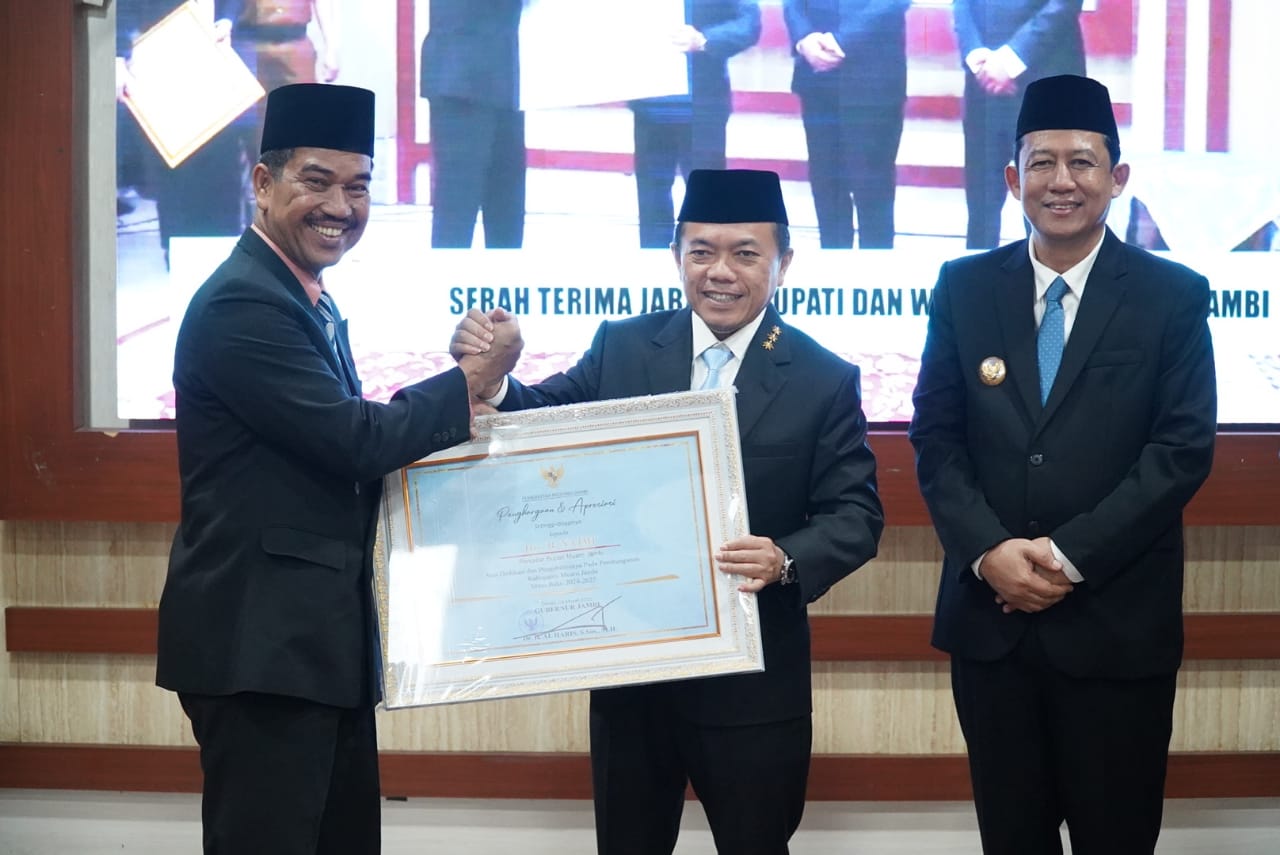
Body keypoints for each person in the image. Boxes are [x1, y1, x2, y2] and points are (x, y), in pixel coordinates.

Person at [454, 169, 884, 854]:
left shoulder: (821, 376)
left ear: (784, 262)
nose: (720, 272)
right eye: (701, 251)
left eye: (745, 253)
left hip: (754, 685)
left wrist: (785, 557)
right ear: (675, 256)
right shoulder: (623, 346)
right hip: (634, 675)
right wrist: (496, 379)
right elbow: (544, 421)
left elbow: (855, 514)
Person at [155, 83, 520, 854]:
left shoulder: (306, 298)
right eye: (317, 181)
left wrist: (468, 402)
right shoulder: (243, 304)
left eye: (358, 187)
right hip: (263, 653)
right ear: (263, 182)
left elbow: (341, 450)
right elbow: (352, 439)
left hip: (313, 651)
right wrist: (468, 381)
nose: (340, 207)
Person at [908, 75, 1217, 854]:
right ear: (1013, 180)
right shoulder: (964, 287)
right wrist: (988, 550)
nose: (1061, 181)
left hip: (1116, 627)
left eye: (1082, 162)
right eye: (1042, 162)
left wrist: (1066, 555)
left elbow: (1180, 450)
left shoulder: (1172, 296)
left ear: (1118, 177)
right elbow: (937, 438)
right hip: (992, 628)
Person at [953, 0, 1086, 249]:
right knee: (982, 203)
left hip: (1048, 77)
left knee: (1049, 202)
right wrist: (975, 53)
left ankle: (1050, 274)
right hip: (983, 79)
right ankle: (979, 273)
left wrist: (1010, 60)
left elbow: (1063, 5)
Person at [629, 1, 761, 248]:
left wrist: (704, 40)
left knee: (707, 200)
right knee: (651, 198)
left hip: (702, 103)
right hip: (650, 102)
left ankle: (707, 265)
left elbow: (749, 24)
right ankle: (653, 264)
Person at [783, 0, 910, 249]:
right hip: (817, 78)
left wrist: (843, 40)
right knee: (826, 184)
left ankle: (878, 267)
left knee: (872, 188)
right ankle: (833, 263)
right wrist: (803, 38)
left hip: (874, 79)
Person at [419, 0, 526, 248]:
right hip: (461, 75)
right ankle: (447, 273)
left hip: (505, 74)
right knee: (457, 208)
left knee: (507, 208)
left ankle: (506, 274)